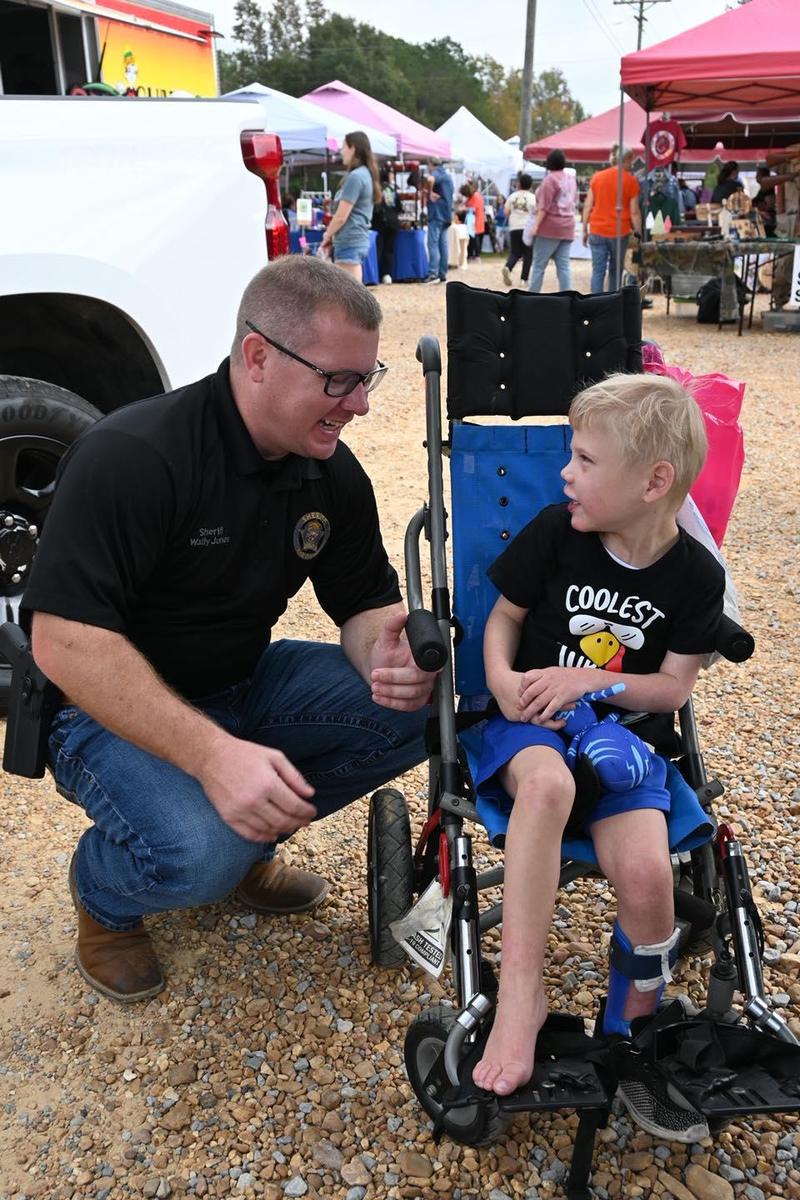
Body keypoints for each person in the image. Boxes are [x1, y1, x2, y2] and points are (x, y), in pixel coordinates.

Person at [23, 256, 438, 1004]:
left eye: (367, 378)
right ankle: (107, 898)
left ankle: (248, 842)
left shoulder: (330, 472)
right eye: (338, 379)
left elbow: (364, 606)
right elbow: (62, 641)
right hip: (98, 715)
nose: (360, 405)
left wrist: (391, 655)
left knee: (426, 713)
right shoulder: (135, 456)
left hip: (244, 683)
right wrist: (215, 758)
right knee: (199, 852)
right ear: (257, 358)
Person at [470, 373, 724, 1142]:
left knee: (649, 878)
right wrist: (502, 684)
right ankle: (522, 997)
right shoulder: (558, 531)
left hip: (625, 743)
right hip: (532, 727)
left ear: (654, 483)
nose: (565, 474)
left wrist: (599, 677)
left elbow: (672, 687)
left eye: (583, 459)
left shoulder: (695, 577)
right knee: (544, 787)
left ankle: (631, 1024)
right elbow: (502, 620)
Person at [320, 131, 381, 282]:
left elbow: (341, 216)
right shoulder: (365, 174)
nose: (341, 151)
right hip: (355, 239)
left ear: (352, 148)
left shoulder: (356, 177)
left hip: (349, 240)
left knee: (348, 296)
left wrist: (327, 235)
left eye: (343, 147)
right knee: (350, 293)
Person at [582, 148, 642, 293]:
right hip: (619, 231)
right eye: (631, 161)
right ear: (627, 159)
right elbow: (634, 212)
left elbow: (588, 205)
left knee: (598, 271)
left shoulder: (597, 177)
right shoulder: (631, 181)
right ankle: (611, 303)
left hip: (596, 229)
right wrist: (638, 232)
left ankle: (595, 304)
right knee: (616, 269)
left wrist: (584, 228)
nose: (632, 165)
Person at [523, 150, 577, 293]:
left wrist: (536, 226)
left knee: (539, 265)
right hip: (568, 226)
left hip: (550, 228)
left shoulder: (550, 180)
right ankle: (567, 296)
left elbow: (544, 207)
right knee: (564, 266)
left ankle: (531, 297)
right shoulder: (571, 179)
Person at [502, 173, 537, 287]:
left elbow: (506, 212)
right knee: (528, 254)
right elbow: (537, 212)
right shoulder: (533, 197)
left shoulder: (512, 196)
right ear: (530, 185)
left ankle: (508, 267)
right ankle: (524, 279)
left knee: (515, 252)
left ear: (519, 183)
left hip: (514, 227)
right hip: (527, 228)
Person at [423, 158, 454, 285]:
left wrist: (429, 192)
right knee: (443, 244)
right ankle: (442, 273)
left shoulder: (436, 173)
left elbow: (430, 179)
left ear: (431, 164)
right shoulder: (448, 176)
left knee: (433, 243)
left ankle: (433, 273)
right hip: (446, 213)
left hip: (437, 213)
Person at [372, 164, 402, 283]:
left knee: (378, 249)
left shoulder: (376, 190)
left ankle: (377, 275)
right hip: (393, 223)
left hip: (379, 223)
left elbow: (375, 208)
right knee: (389, 250)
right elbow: (399, 207)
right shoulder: (392, 190)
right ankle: (387, 275)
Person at [464, 183, 485, 261]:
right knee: (471, 238)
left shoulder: (476, 196)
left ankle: (477, 255)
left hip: (476, 219)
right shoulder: (472, 196)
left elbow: (473, 209)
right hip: (471, 220)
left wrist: (464, 209)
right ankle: (470, 255)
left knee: (475, 238)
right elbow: (467, 204)